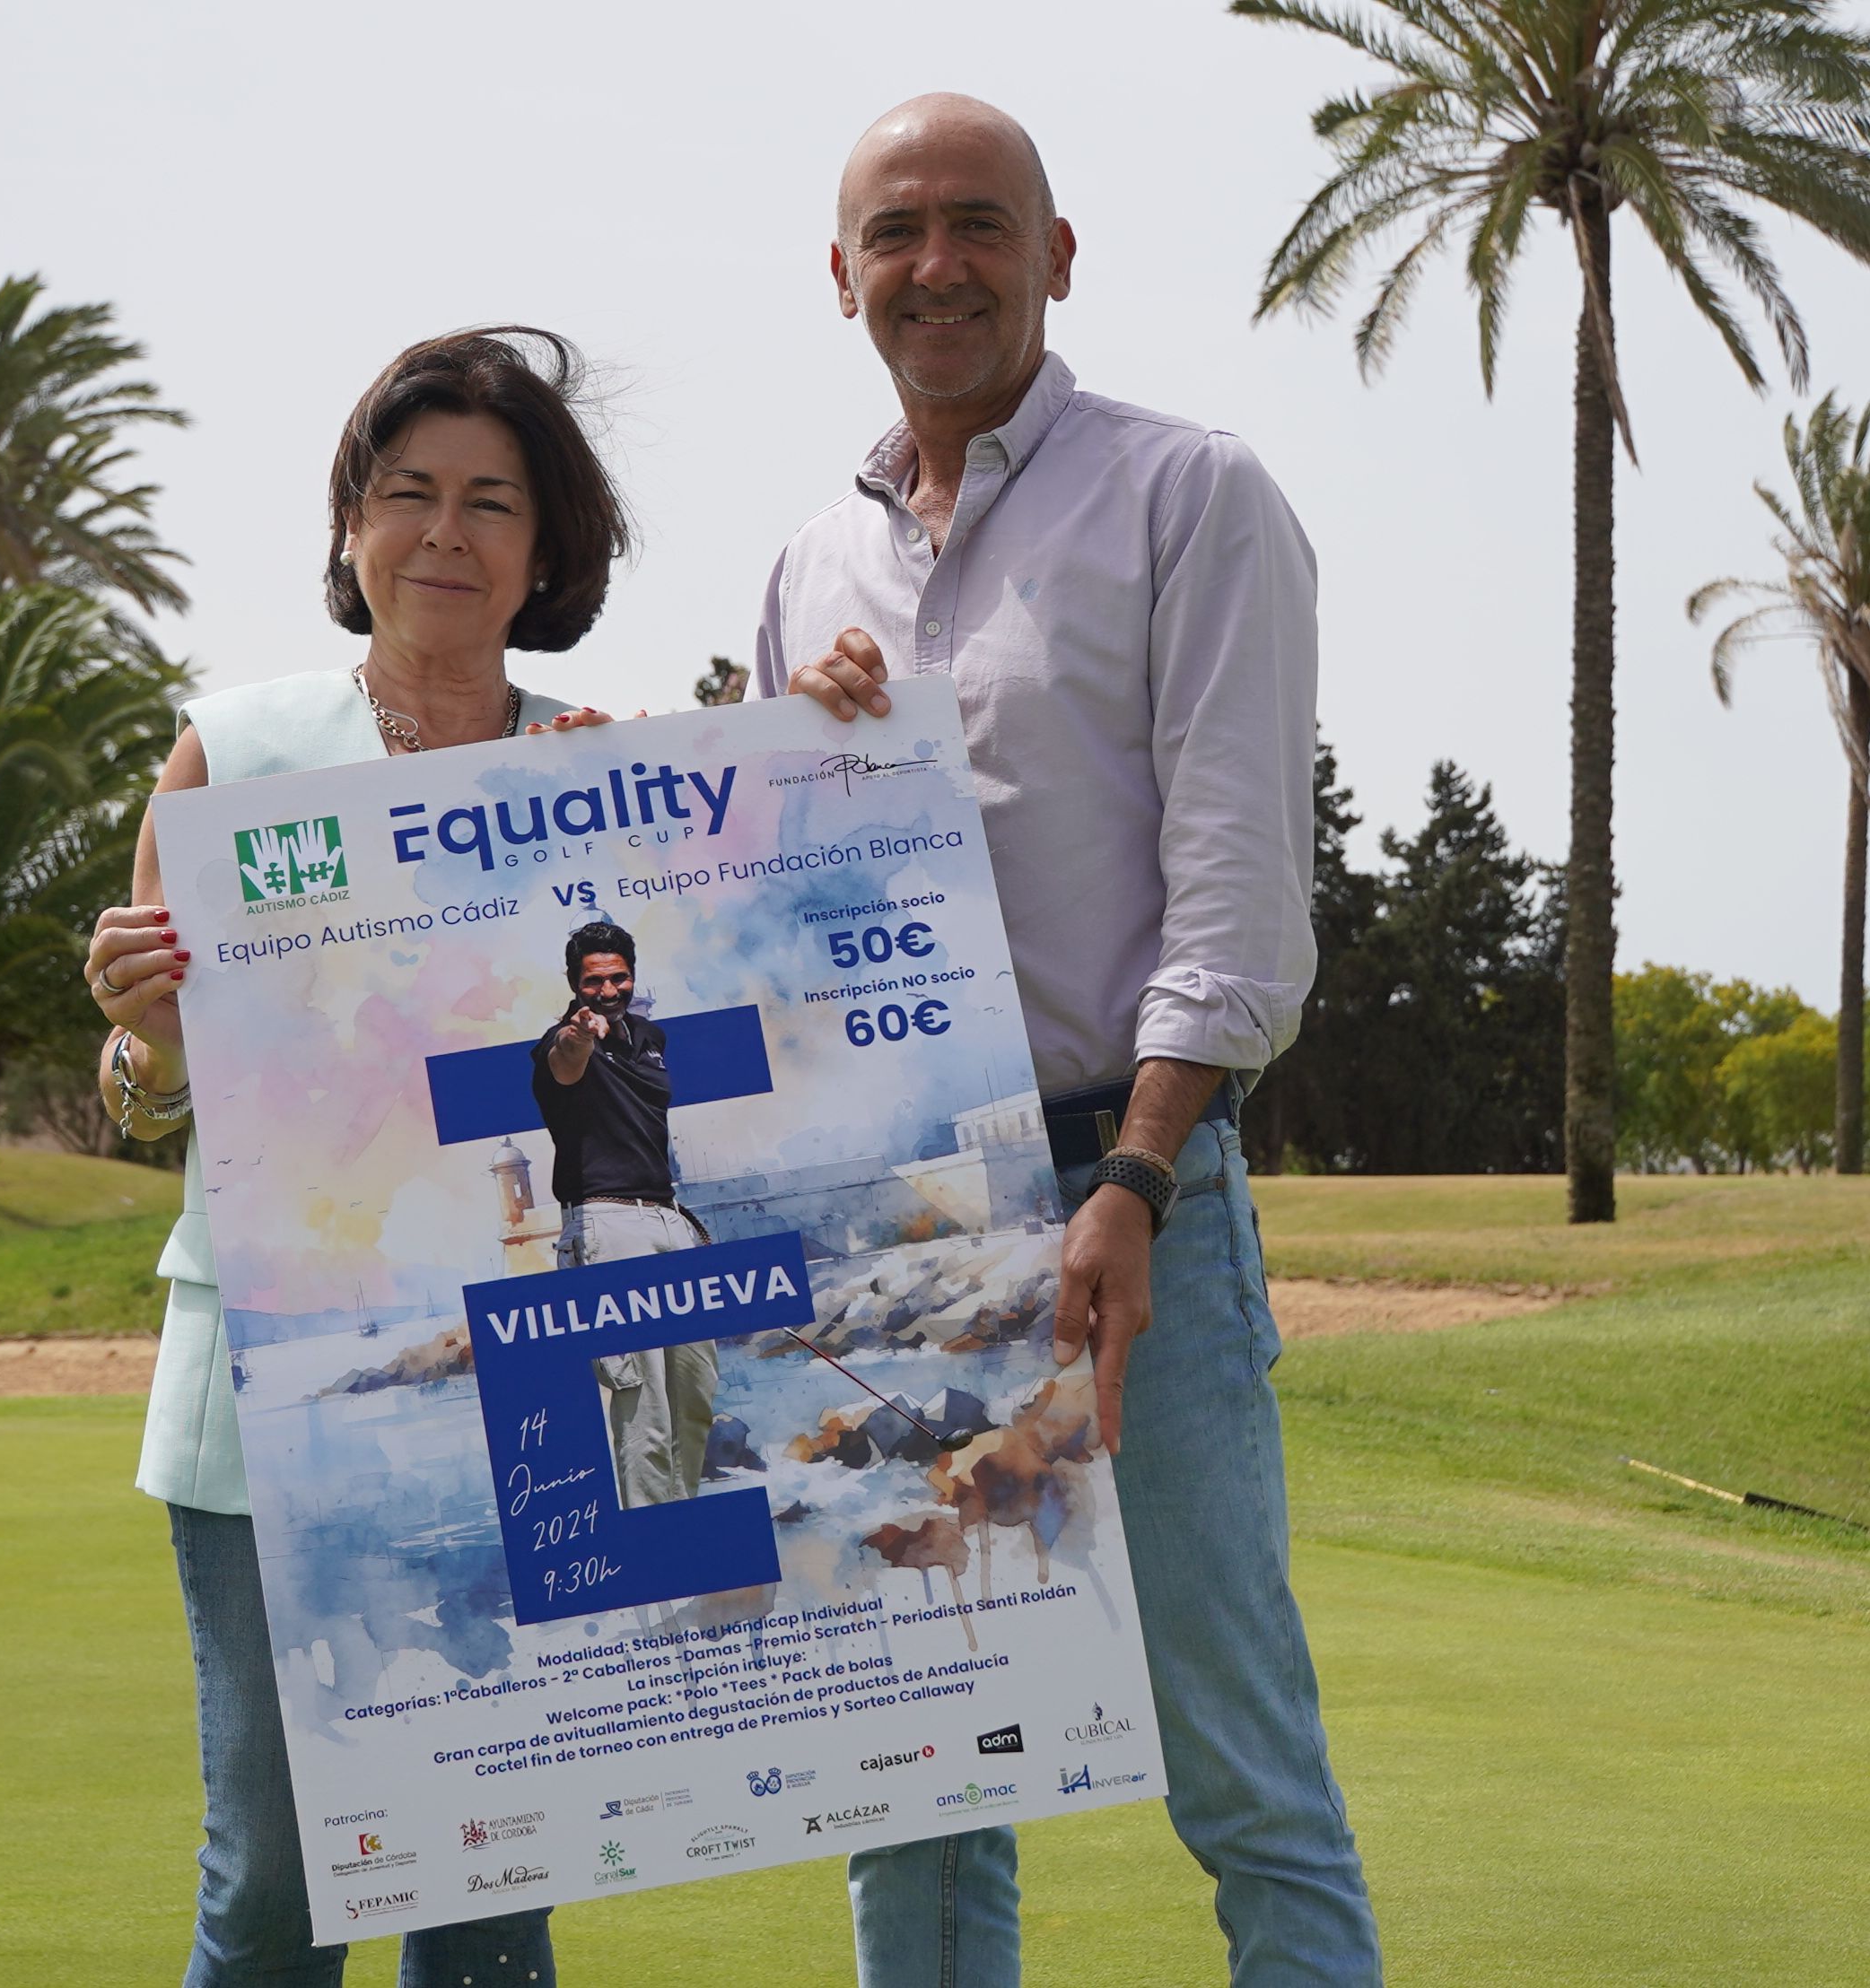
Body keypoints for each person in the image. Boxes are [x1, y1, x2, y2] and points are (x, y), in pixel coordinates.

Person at [756, 95, 1384, 1988]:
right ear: (843, 273)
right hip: (901, 1217)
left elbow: (1239, 896)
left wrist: (1136, 1172)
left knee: (1232, 1746)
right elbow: (778, 909)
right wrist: (799, 746)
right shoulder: (807, 560)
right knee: (922, 1781)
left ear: (1057, 253)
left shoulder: (1190, 493)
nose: (935, 264)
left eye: (977, 224)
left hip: (1133, 1191)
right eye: (897, 232)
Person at [83, 326, 633, 1988]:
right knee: (273, 1884)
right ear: (349, 523)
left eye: (491, 503)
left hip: (526, 1367)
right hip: (274, 1387)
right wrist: (151, 1039)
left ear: (547, 553)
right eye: (408, 494)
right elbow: (138, 1101)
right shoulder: (231, 754)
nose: (444, 536)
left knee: (493, 1884)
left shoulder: (595, 768)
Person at [530, 917, 715, 1507]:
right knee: (644, 1409)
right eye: (593, 983)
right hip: (607, 1228)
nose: (607, 992)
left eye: (618, 979)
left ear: (631, 977)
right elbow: (565, 1059)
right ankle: (655, 1558)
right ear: (573, 984)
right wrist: (580, 1034)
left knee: (695, 1395)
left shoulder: (651, 1039)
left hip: (668, 1219)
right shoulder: (560, 1042)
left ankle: (686, 1534)